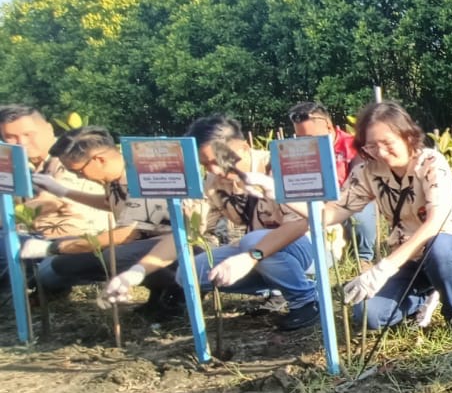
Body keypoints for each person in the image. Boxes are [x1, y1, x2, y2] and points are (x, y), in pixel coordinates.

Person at [209, 101, 452, 339]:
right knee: (368, 316)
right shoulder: (367, 172)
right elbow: (329, 214)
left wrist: (383, 268)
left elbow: (433, 224)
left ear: (407, 135)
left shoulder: (431, 163)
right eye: (372, 146)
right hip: (409, 260)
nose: (381, 153)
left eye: (388, 143)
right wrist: (276, 192)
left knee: (439, 248)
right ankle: (422, 295)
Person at [104, 115, 322, 331]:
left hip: (313, 247)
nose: (215, 171)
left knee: (251, 240)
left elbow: (301, 223)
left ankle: (306, 300)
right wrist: (137, 271)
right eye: (206, 164)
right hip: (260, 251)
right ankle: (279, 286)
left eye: (218, 161)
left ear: (245, 148)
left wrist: (249, 257)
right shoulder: (213, 183)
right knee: (188, 273)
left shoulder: (279, 165)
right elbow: (186, 234)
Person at [26, 126, 182, 315]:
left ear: (99, 160)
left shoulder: (141, 176)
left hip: (175, 249)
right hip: (145, 245)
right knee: (65, 263)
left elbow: (125, 234)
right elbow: (113, 203)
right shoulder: (115, 179)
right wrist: (63, 191)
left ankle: (175, 292)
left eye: (79, 171)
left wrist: (55, 247)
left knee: (115, 256)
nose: (78, 176)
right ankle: (158, 293)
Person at [0, 105, 109, 283]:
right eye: (10, 137)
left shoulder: (69, 156)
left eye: (28, 134)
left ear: (49, 129)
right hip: (36, 240)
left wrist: (8, 216)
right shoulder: (25, 165)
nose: (21, 143)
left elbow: (49, 202)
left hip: (76, 242)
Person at [288, 101, 377, 266]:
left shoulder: (352, 145)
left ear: (329, 127)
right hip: (315, 201)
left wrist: (333, 202)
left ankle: (363, 258)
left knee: (360, 216)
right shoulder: (297, 151)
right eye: (300, 138)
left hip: (349, 198)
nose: (305, 143)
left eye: (309, 138)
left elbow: (358, 184)